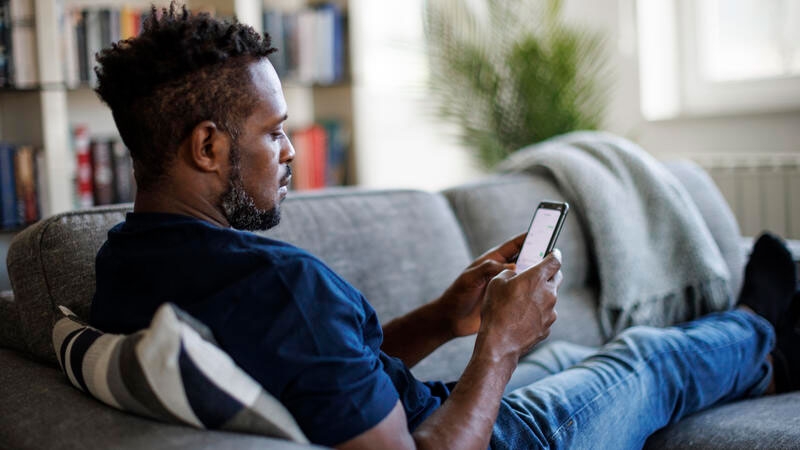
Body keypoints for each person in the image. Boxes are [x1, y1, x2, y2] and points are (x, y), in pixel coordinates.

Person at [89, 5, 799, 449]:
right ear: (207, 148)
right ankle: (766, 328)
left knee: (576, 355)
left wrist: (442, 317)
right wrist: (497, 344)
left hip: (431, 406)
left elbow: (324, 374)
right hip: (498, 438)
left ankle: (754, 355)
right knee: (645, 358)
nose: (288, 152)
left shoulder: (124, 262)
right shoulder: (281, 284)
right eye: (273, 133)